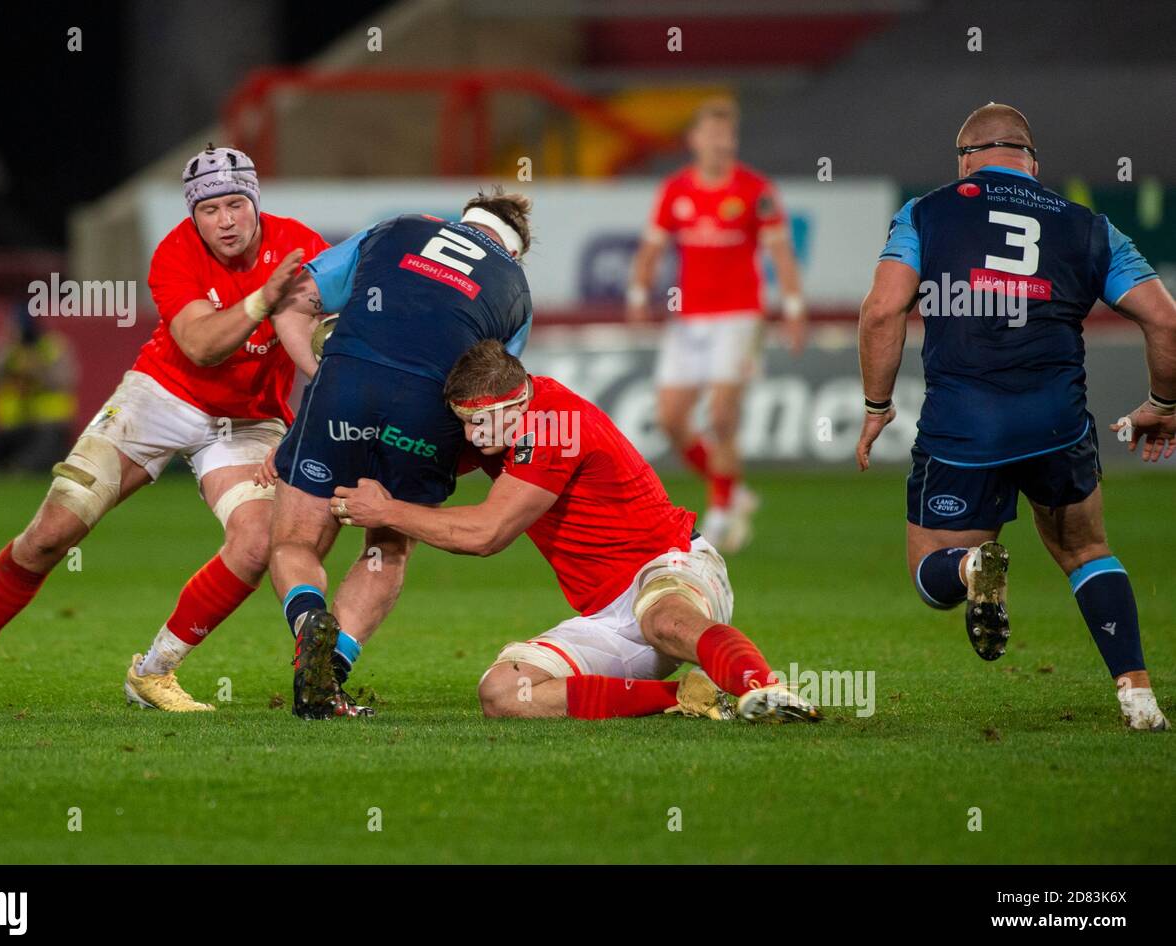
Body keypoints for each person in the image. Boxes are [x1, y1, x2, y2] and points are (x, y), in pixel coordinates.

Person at [0, 145, 329, 713]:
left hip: (247, 418)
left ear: (256, 204)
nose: (226, 221)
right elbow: (199, 346)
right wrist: (263, 298)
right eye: (210, 210)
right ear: (193, 216)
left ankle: (153, 672)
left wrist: (306, 426)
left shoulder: (302, 245)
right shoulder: (174, 253)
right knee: (49, 535)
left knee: (258, 540)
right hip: (161, 396)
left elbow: (328, 344)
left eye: (237, 204)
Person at [856, 103, 1173, 731]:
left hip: (962, 429)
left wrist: (876, 406)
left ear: (965, 159)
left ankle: (973, 567)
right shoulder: (1088, 226)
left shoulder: (926, 211)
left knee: (929, 573)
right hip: (1058, 424)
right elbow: (1164, 319)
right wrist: (1163, 404)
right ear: (1032, 163)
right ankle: (1137, 695)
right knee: (1086, 550)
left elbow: (881, 313)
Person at [328, 340, 820, 723]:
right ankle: (691, 697)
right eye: (464, 423)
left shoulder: (555, 425)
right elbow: (409, 459)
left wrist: (387, 511)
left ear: (517, 406)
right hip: (607, 614)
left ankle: (767, 688)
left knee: (663, 620)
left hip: (670, 565)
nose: (473, 436)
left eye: (480, 422)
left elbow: (486, 534)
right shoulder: (500, 422)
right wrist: (299, 459)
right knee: (504, 693)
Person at [259, 189, 534, 720]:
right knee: (388, 546)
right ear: (515, 250)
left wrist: (323, 379)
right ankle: (327, 679)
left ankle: (308, 619)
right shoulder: (516, 288)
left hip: (348, 379)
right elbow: (488, 397)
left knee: (295, 541)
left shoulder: (397, 227)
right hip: (428, 408)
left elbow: (295, 301)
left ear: (461, 220)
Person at [626, 97, 807, 552]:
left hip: (739, 317)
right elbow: (651, 249)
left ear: (733, 141)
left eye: (726, 135)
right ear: (694, 140)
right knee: (670, 419)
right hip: (688, 320)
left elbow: (781, 252)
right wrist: (637, 292)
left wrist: (793, 307)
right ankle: (734, 487)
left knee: (723, 417)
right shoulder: (675, 190)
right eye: (710, 134)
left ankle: (722, 509)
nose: (718, 143)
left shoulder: (755, 189)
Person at [0, 302, 78, 475]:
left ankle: (23, 467)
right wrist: (5, 352)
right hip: (10, 425)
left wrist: (38, 370)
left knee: (47, 445)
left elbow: (67, 381)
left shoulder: (53, 346)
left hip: (45, 424)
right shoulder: (6, 348)